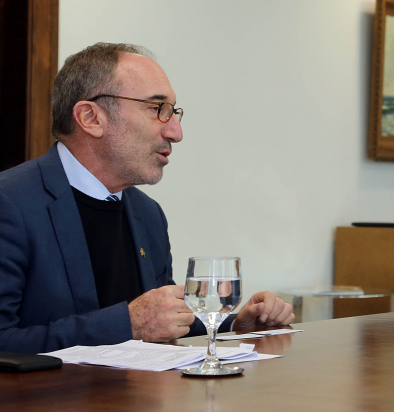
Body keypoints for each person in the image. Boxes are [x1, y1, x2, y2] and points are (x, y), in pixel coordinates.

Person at [0, 43, 294, 353]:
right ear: (91, 117)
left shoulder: (147, 212)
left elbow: (160, 319)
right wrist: (127, 325)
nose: (176, 133)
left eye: (174, 112)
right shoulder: (10, 203)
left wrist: (233, 324)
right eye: (157, 109)